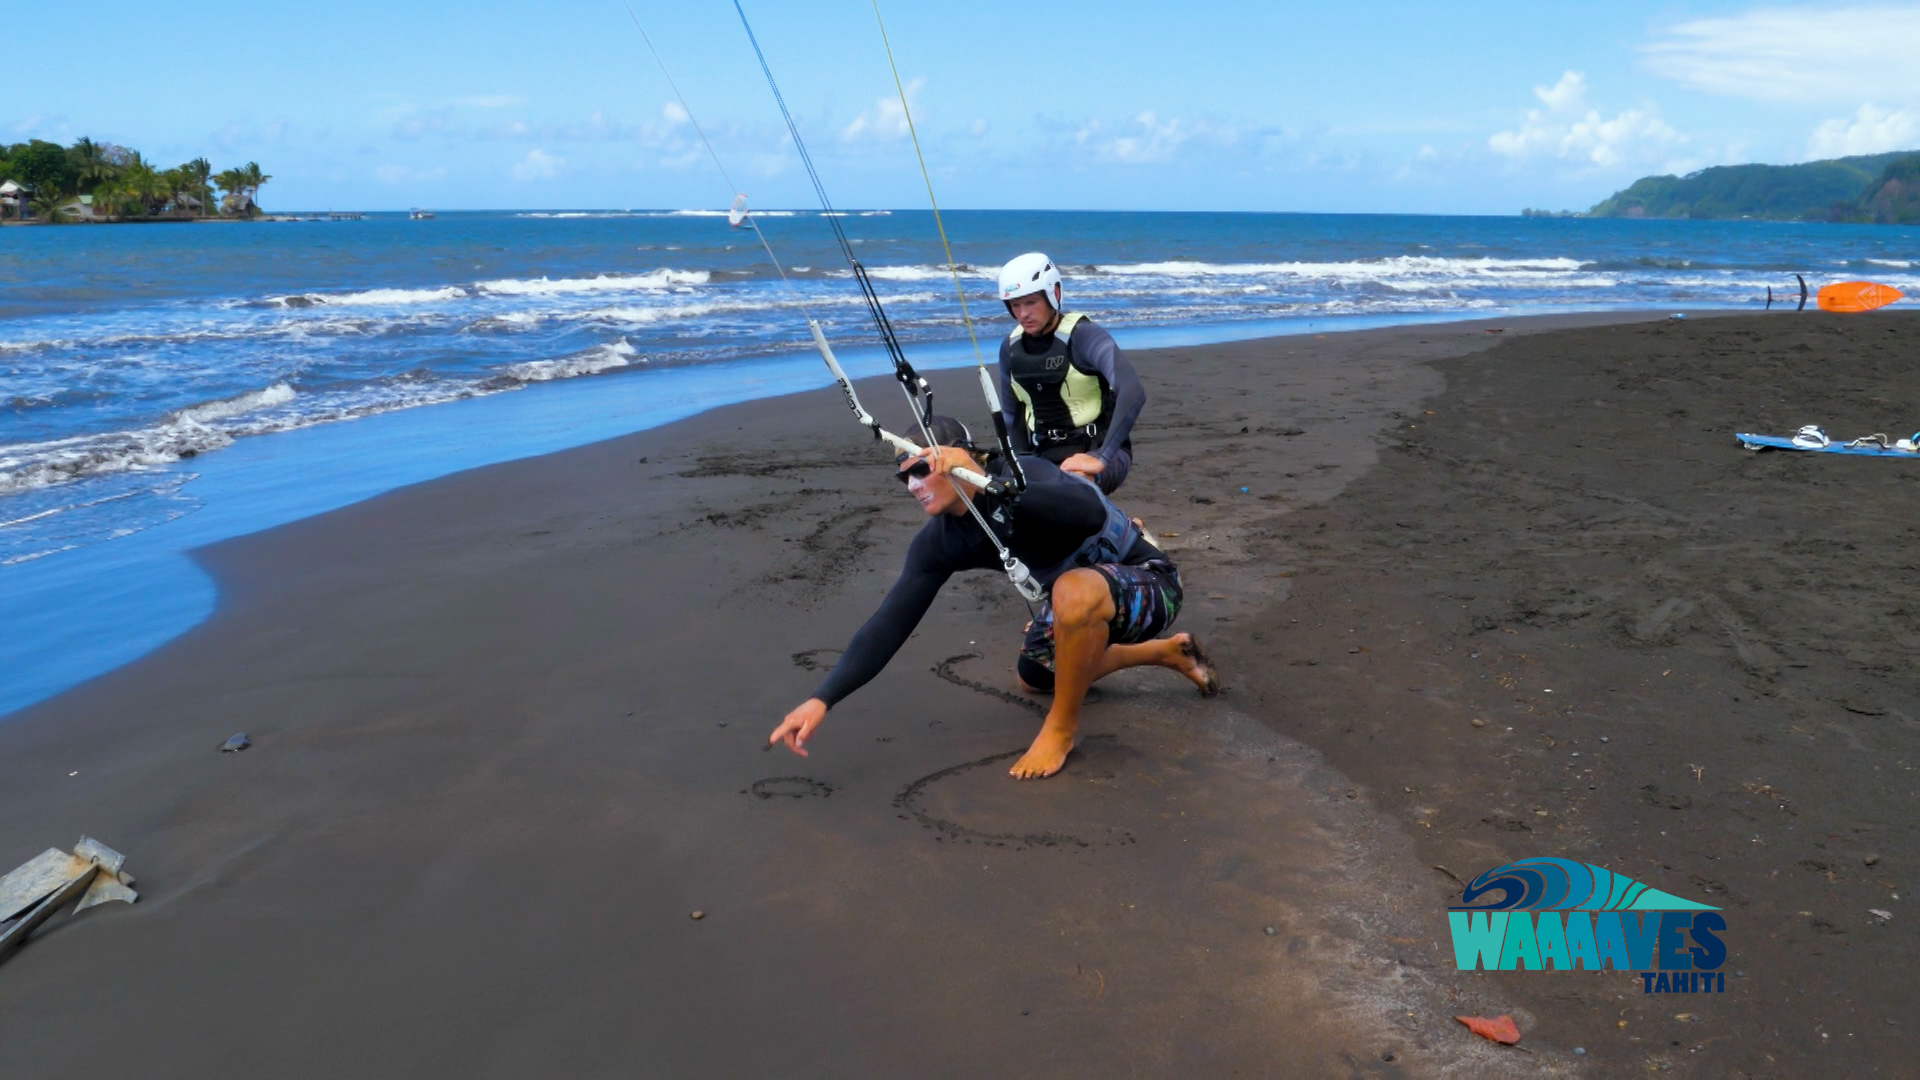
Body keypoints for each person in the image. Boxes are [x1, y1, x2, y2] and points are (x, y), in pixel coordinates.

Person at [767, 416, 1217, 780]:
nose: (914, 486)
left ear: (961, 459)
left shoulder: (1024, 472)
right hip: (1082, 606)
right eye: (904, 477)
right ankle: (1167, 653)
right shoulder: (940, 542)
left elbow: (1087, 511)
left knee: (1071, 591)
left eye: (924, 468)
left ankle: (1060, 730)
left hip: (1150, 587)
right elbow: (891, 620)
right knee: (1037, 675)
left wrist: (987, 483)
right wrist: (822, 698)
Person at [995, 252, 1145, 494]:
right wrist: (1017, 468)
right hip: (1042, 455)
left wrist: (1101, 457)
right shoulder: (1010, 348)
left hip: (1097, 451)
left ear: (1053, 294)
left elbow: (1132, 390)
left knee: (1070, 491)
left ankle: (1122, 530)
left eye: (1031, 302)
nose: (1023, 314)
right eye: (1015, 305)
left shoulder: (1084, 336)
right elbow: (1012, 419)